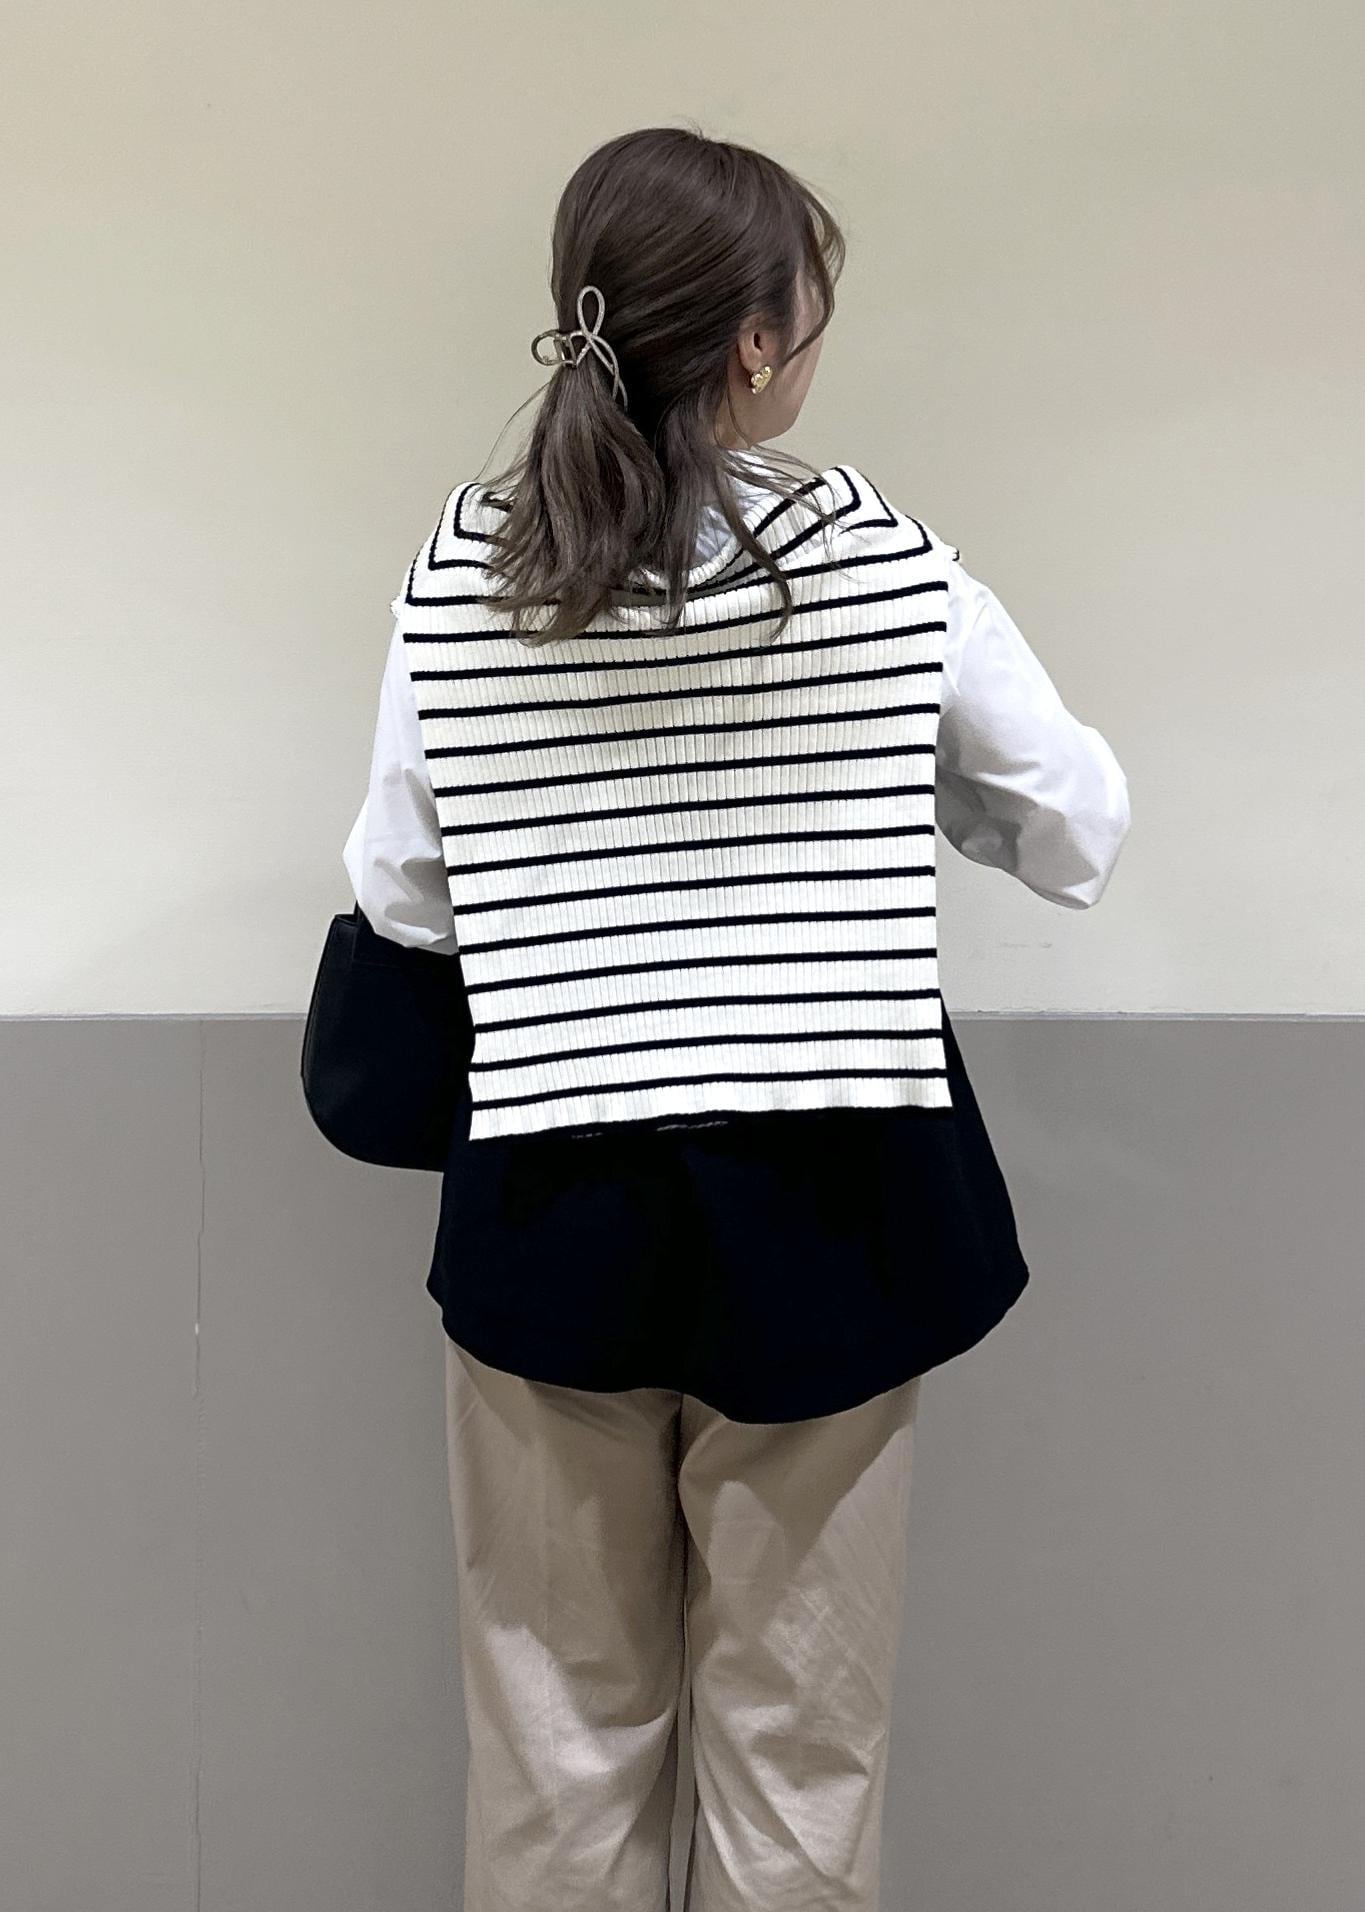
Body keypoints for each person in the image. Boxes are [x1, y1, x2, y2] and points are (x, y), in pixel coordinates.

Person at [342, 125, 1130, 1912]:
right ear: (757, 343)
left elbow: (402, 892)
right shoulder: (879, 560)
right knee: (801, 1763)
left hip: (553, 1204)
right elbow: (1072, 830)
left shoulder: (466, 567)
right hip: (835, 1208)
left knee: (555, 1756)